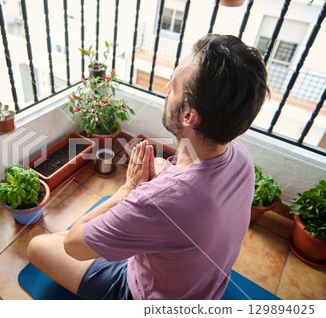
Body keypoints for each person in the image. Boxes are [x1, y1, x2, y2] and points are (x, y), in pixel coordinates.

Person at [27, 34, 269, 300]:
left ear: (189, 116)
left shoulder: (157, 203)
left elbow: (73, 247)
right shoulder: (241, 156)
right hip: (203, 287)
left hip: (146, 295)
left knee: (40, 245)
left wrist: (129, 189)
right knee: (158, 165)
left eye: (174, 87)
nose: (166, 88)